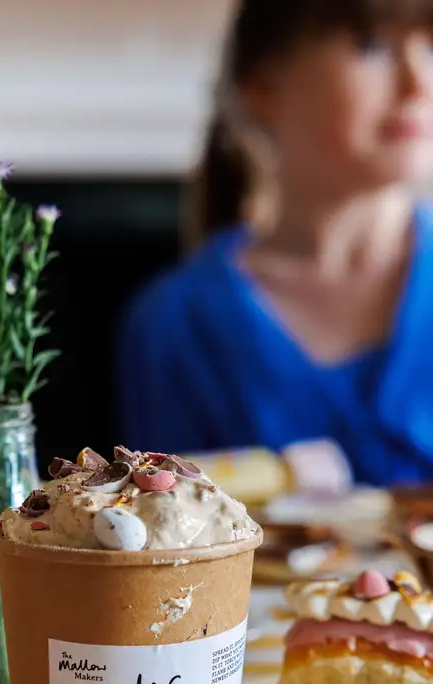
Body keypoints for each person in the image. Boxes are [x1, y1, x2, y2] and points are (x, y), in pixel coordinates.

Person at [119, 0, 433, 486]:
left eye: (429, 47)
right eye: (372, 47)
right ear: (264, 89)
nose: (419, 83)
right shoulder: (175, 323)